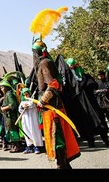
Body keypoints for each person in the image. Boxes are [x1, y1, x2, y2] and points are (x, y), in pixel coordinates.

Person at [32, 38, 80, 169]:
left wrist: (43, 100)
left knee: (56, 136)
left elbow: (53, 84)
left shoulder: (44, 63)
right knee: (56, 135)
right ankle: (64, 164)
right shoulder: (46, 62)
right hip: (51, 106)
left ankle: (61, 164)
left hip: (51, 106)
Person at [18, 87, 44, 154]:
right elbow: (20, 110)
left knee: (34, 132)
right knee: (27, 132)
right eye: (24, 95)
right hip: (25, 120)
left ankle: (37, 146)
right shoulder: (22, 102)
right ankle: (29, 147)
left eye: (27, 94)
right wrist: (23, 106)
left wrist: (27, 105)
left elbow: (31, 105)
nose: (26, 96)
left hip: (32, 120)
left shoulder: (32, 101)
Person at [0, 80, 22, 153]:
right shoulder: (6, 95)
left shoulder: (9, 94)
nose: (1, 89)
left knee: (12, 130)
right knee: (9, 130)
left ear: (6, 87)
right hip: (7, 116)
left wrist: (3, 108)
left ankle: (16, 146)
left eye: (2, 87)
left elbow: (13, 105)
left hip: (11, 116)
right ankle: (13, 145)